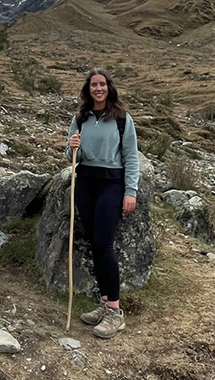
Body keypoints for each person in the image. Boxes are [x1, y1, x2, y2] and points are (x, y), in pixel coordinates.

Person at [66, 68, 139, 339]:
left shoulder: (122, 119)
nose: (98, 89)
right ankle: (105, 302)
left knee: (103, 245)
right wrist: (72, 144)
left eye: (103, 84)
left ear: (109, 88)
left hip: (111, 183)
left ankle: (115, 313)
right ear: (88, 89)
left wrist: (130, 191)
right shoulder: (80, 118)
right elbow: (71, 154)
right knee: (95, 243)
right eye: (94, 85)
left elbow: (131, 156)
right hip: (86, 182)